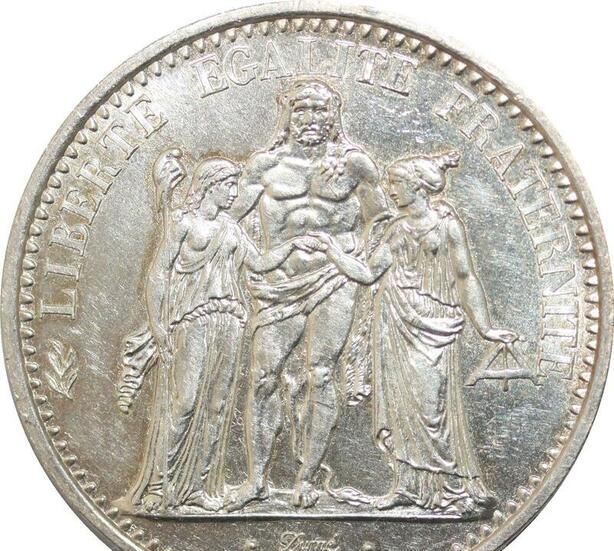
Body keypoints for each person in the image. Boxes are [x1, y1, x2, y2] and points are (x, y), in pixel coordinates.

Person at [312, 152, 516, 515]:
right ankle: (407, 486)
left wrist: (485, 328)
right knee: (399, 407)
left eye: (397, 183)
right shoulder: (397, 229)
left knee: (431, 406)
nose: (390, 190)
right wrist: (332, 252)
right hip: (395, 321)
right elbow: (367, 273)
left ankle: (453, 488)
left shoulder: (447, 226)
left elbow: (465, 277)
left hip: (435, 323)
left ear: (419, 187)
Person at [224, 79, 389, 510]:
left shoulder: (355, 164)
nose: (311, 119)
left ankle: (307, 477)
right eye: (302, 110)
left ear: (333, 115)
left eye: (319, 110)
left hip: (334, 279)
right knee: (263, 376)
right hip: (279, 281)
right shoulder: (265, 166)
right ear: (288, 115)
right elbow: (229, 219)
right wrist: (256, 260)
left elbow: (382, 219)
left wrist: (357, 259)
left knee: (321, 372)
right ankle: (256, 480)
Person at [117, 155, 311, 513]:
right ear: (210, 186)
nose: (234, 192)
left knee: (217, 407)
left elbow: (259, 264)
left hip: (229, 321)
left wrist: (294, 246)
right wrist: (158, 325)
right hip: (193, 319)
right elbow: (158, 273)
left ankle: (199, 487)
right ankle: (161, 485)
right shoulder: (183, 223)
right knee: (184, 403)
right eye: (229, 185)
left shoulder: (231, 228)